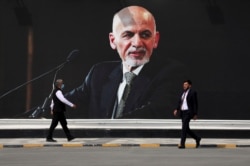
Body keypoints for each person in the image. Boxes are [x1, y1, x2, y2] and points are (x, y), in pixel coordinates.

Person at [65, 5, 185, 119]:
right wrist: (53, 107)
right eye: (128, 35)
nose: (137, 43)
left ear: (155, 40)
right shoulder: (99, 73)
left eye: (145, 35)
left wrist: (107, 129)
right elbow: (67, 104)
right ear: (113, 41)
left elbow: (152, 114)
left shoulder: (171, 73)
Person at [173, 80, 201, 149]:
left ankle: (182, 144)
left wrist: (195, 113)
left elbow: (195, 103)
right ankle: (197, 138)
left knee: (184, 128)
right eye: (184, 84)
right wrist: (177, 109)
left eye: (186, 84)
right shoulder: (183, 93)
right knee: (186, 129)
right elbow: (180, 102)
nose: (184, 86)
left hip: (188, 112)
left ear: (189, 85)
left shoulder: (192, 92)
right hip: (183, 112)